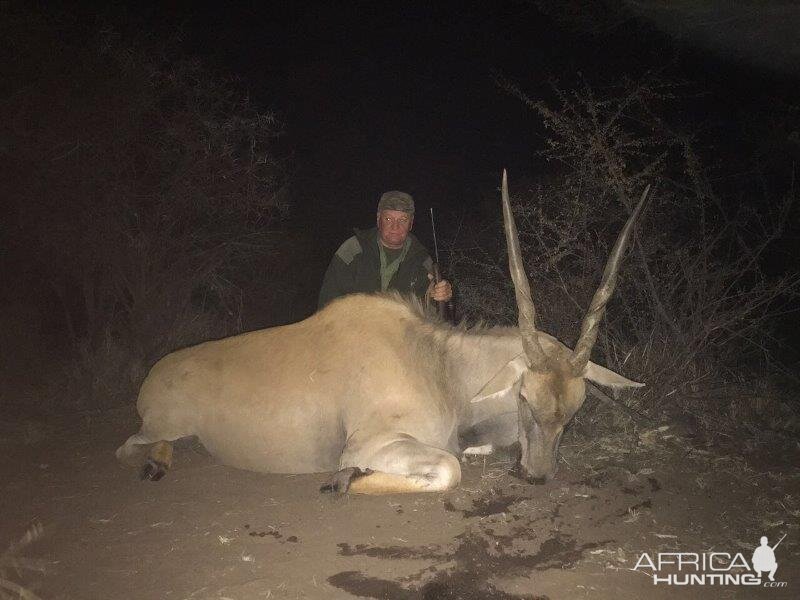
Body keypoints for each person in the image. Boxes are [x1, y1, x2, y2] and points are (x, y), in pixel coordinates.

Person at [318, 190, 453, 310]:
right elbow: (327, 305)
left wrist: (440, 295)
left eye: (403, 220)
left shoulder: (422, 261)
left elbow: (429, 314)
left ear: (411, 224)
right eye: (388, 219)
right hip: (353, 333)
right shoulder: (352, 251)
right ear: (378, 220)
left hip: (399, 336)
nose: (395, 226)